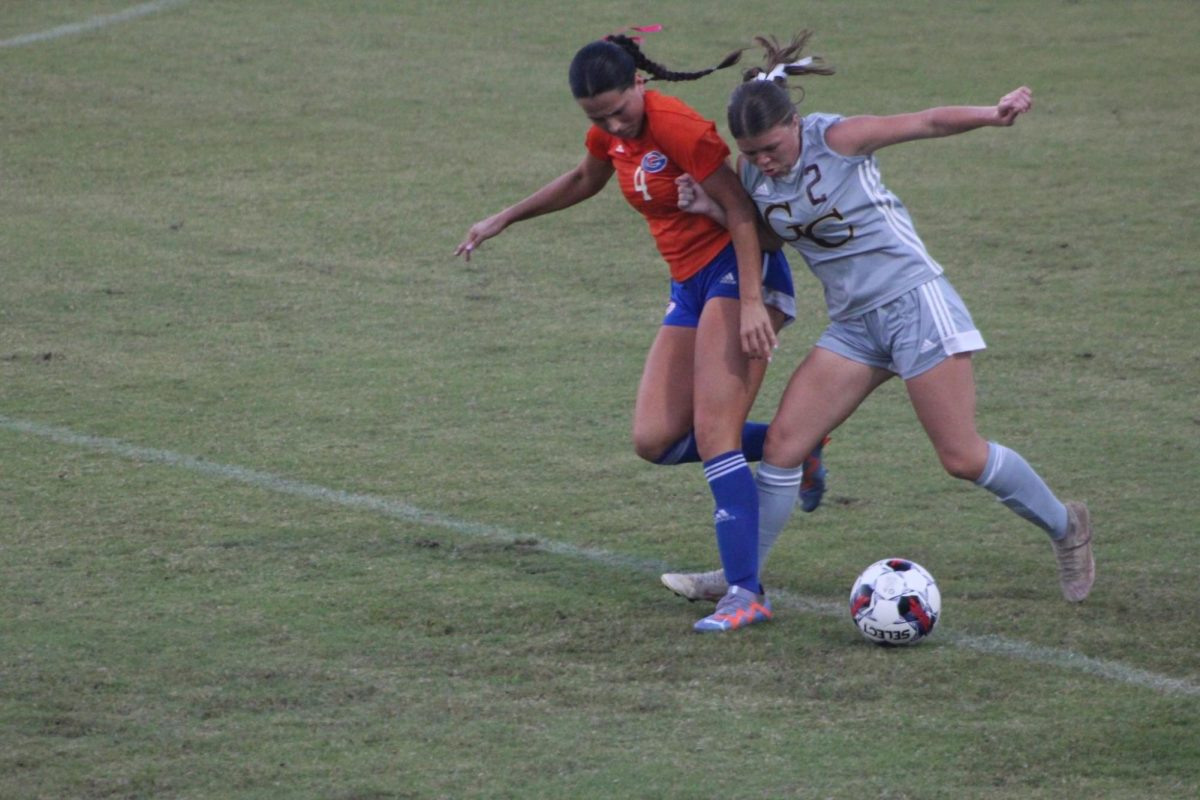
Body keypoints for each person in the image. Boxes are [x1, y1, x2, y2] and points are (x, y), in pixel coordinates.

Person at [662, 32, 1095, 609]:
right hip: (853, 326)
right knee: (788, 445)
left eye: (770, 147)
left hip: (914, 304)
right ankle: (741, 574)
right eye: (752, 151)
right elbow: (774, 235)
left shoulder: (837, 138)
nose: (763, 160)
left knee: (961, 457)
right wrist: (713, 207)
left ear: (795, 121)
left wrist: (992, 115)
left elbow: (926, 122)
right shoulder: (754, 172)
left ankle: (1067, 527)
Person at [454, 32, 828, 633]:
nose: (614, 127)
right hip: (690, 286)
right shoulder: (609, 131)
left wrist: (755, 303)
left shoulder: (677, 126)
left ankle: (746, 593)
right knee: (655, 439)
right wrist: (503, 217)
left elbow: (740, 212)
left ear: (640, 83)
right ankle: (798, 443)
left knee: (714, 433)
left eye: (620, 111)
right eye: (597, 117)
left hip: (741, 272)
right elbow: (584, 179)